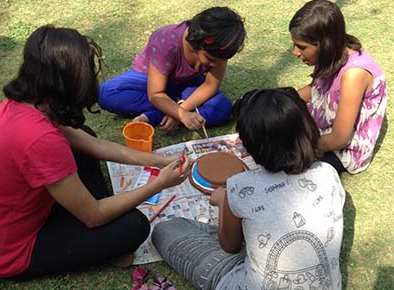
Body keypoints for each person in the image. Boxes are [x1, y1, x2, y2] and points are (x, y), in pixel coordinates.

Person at [0, 25, 190, 279]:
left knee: (85, 135)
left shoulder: (28, 102)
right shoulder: (40, 139)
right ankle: (107, 237)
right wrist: (160, 183)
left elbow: (94, 146)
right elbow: (93, 216)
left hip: (20, 213)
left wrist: (160, 160)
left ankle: (107, 222)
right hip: (12, 250)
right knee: (134, 227)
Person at [152, 87, 346, 290]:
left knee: (167, 229)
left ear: (250, 145)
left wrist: (223, 201)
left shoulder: (240, 186)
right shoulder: (328, 172)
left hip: (246, 281)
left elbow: (230, 247)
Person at [98, 6, 246, 132]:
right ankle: (166, 109)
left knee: (221, 109)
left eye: (220, 61)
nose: (214, 65)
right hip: (148, 78)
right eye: (210, 60)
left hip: (187, 84)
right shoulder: (167, 43)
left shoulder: (221, 46)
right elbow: (155, 93)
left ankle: (156, 114)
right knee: (106, 93)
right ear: (196, 45)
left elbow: (210, 85)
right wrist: (181, 114)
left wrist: (182, 111)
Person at [289, 0, 387, 174]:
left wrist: (294, 148)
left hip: (342, 149)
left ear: (324, 44)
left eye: (302, 47)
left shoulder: (354, 75)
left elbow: (339, 138)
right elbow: (315, 88)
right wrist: (281, 101)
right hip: (322, 130)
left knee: (288, 168)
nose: (295, 52)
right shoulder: (332, 53)